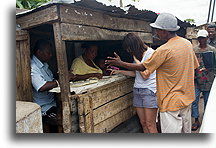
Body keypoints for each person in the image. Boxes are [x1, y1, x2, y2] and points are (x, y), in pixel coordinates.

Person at [106, 13, 199, 133]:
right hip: (186, 98)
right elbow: (194, 67)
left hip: (170, 101)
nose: (156, 33)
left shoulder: (163, 50)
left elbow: (142, 68)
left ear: (165, 31)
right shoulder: (187, 44)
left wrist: (120, 63)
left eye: (157, 30)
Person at [108, 33, 158, 133]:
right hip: (138, 90)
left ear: (135, 45)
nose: (129, 51)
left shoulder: (151, 54)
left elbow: (145, 74)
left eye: (130, 48)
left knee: (150, 124)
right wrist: (119, 71)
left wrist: (136, 60)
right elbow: (136, 73)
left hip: (149, 91)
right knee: (143, 122)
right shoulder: (137, 54)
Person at [191, 29, 216, 131]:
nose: (201, 40)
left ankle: (206, 121)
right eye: (199, 38)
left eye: (203, 38)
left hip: (209, 80)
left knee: (207, 101)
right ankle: (196, 120)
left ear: (207, 38)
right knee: (194, 100)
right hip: (196, 79)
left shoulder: (213, 50)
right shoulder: (194, 50)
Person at [31, 39, 59, 119]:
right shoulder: (33, 67)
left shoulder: (44, 65)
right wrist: (59, 82)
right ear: (39, 52)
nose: (51, 55)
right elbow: (41, 87)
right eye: (48, 53)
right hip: (44, 108)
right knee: (63, 116)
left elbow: (52, 81)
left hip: (52, 103)